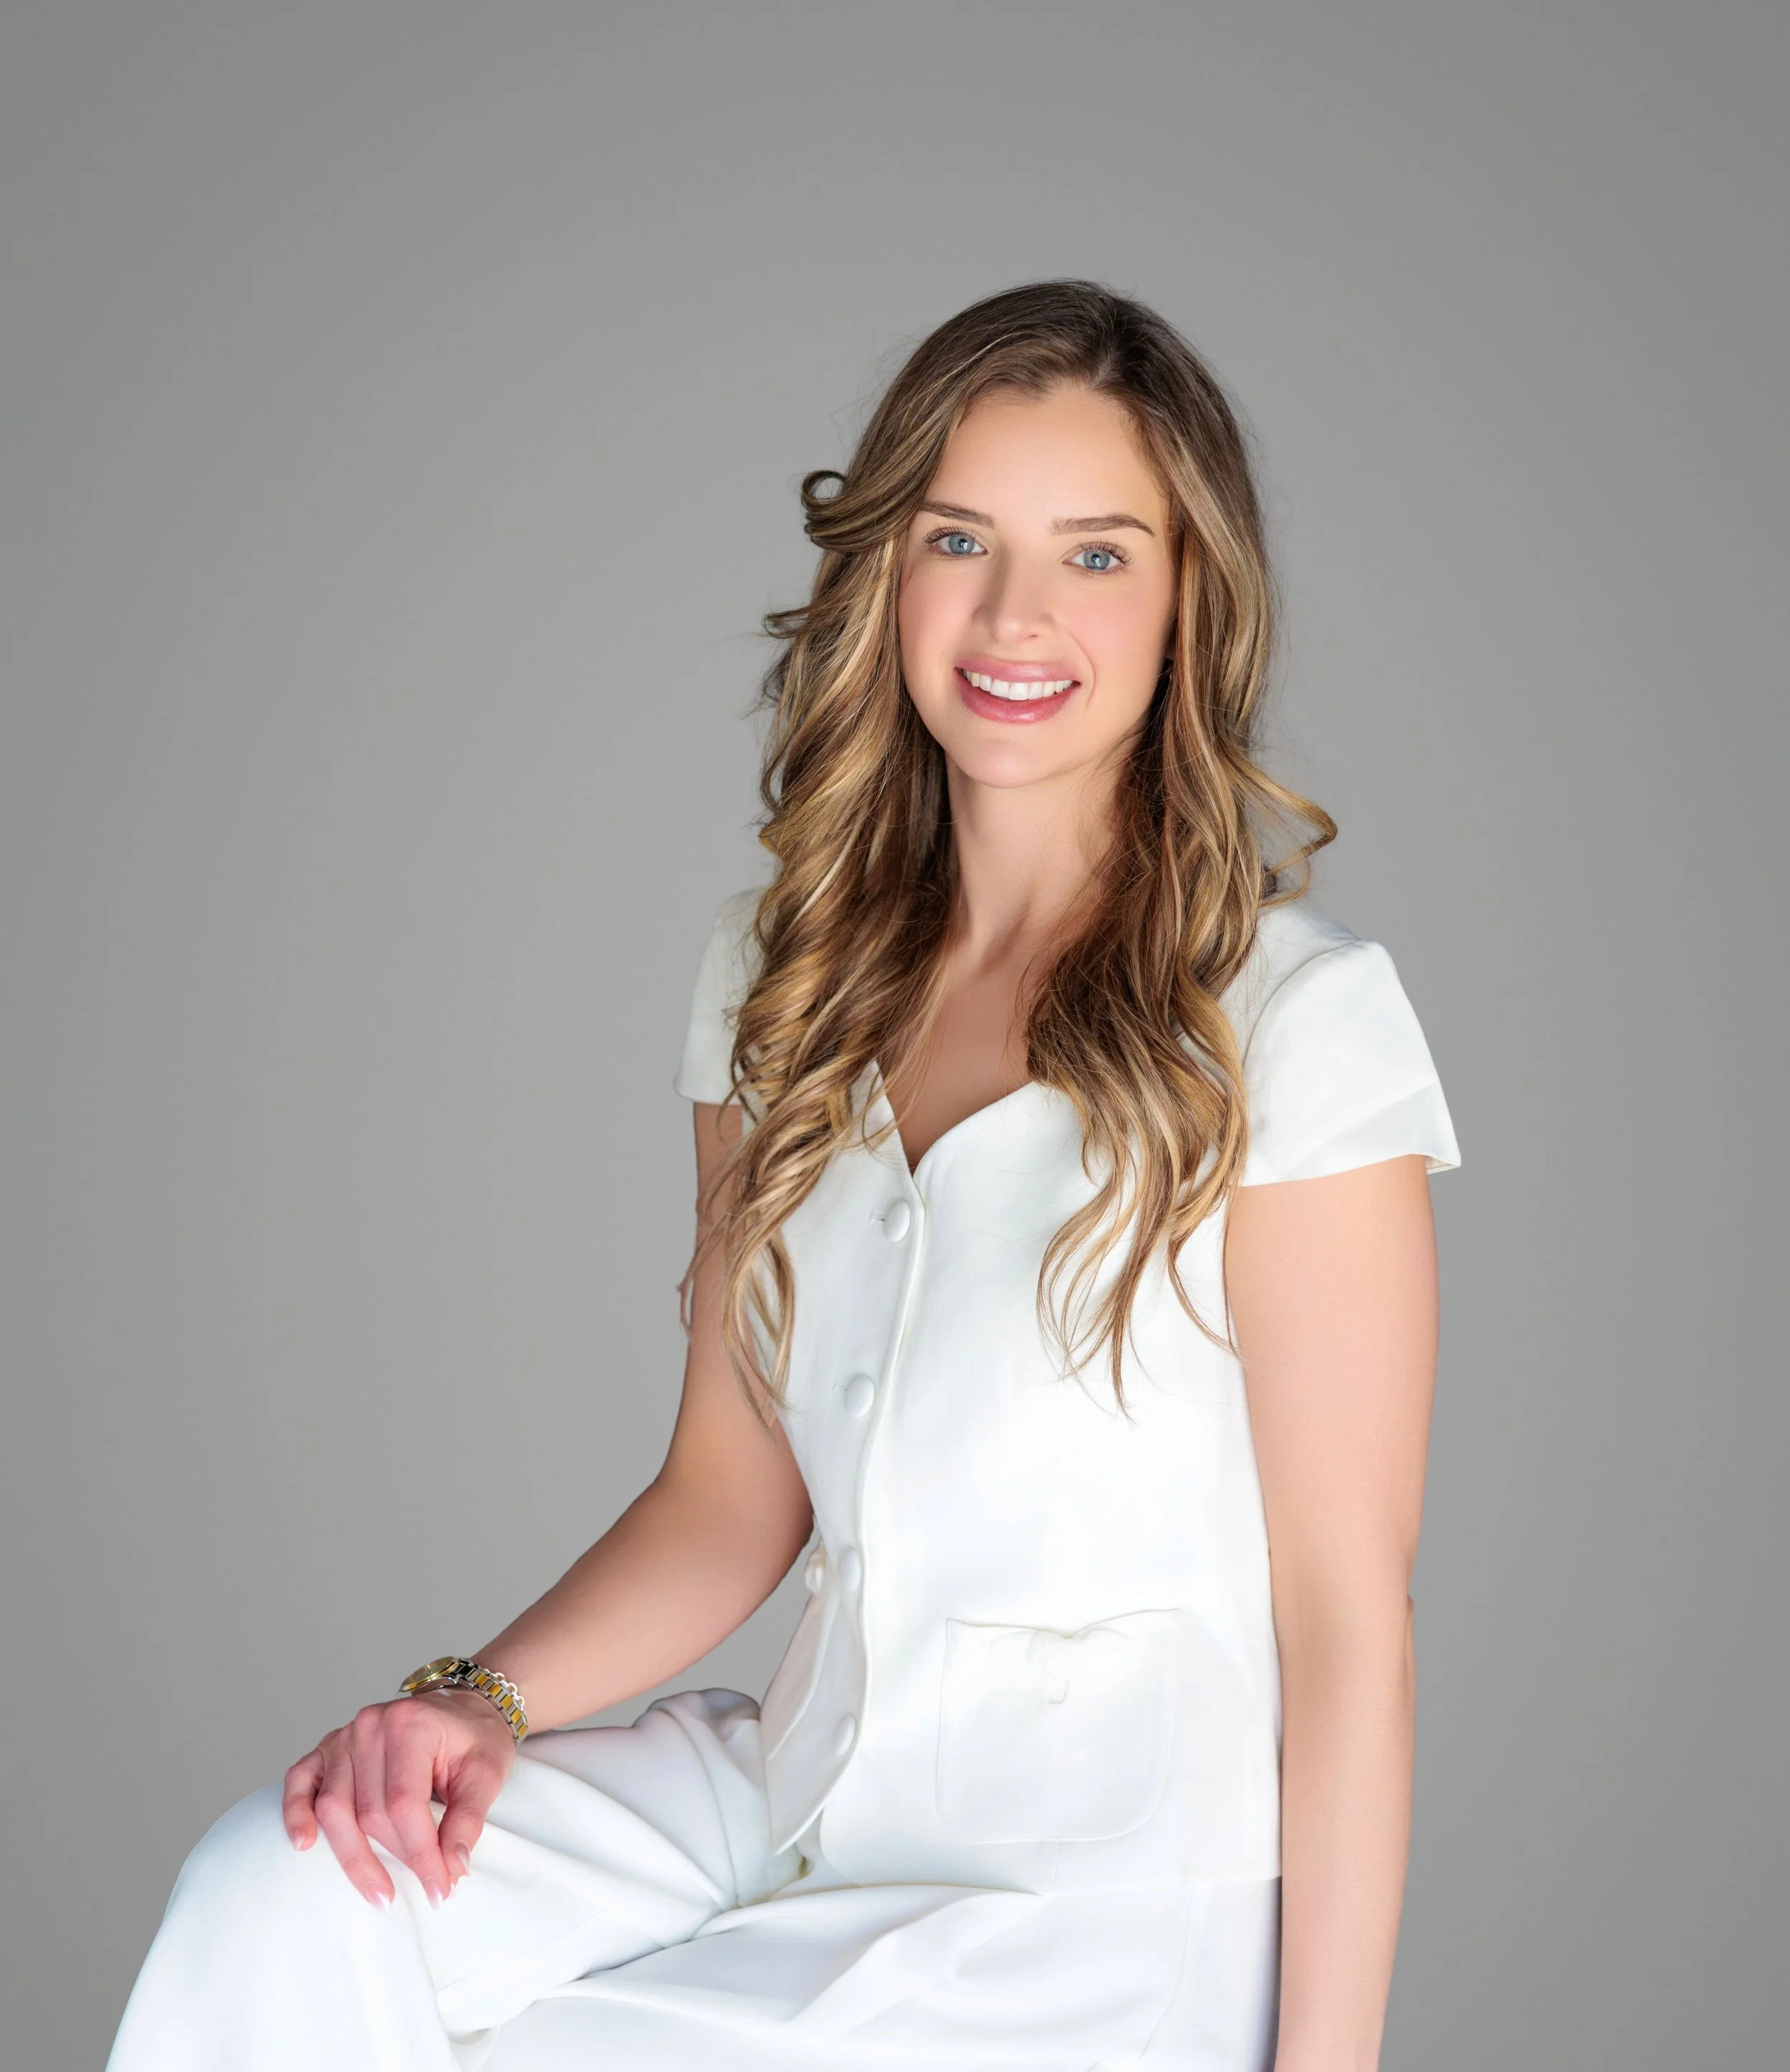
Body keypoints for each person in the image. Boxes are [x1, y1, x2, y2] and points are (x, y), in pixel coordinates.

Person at [107, 279, 1460, 2072]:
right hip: (796, 1785)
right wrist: (474, 1702)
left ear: (1187, 600)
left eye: (1097, 554)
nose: (1013, 614)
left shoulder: (1293, 1022)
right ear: (885, 573)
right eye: (957, 537)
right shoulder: (782, 982)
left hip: (1085, 1902)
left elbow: (1346, 1616)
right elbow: (732, 1493)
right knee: (284, 1894)